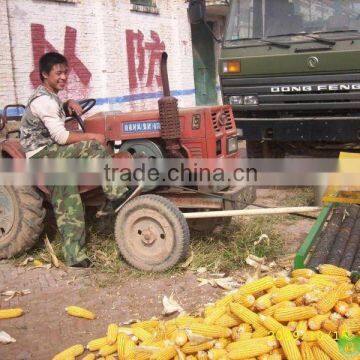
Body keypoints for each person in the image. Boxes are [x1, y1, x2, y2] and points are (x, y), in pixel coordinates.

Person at [20, 52, 128, 268]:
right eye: (58, 73)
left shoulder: (51, 97)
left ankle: (74, 255)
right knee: (94, 146)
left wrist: (68, 103)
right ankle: (117, 195)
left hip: (51, 151)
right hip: (42, 155)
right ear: (44, 74)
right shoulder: (43, 101)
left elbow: (55, 115)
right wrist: (92, 136)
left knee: (68, 196)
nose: (63, 77)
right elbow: (61, 136)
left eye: (65, 72)